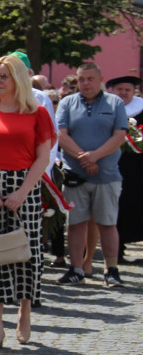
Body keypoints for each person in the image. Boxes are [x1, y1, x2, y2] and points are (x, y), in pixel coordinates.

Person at [0, 55, 54, 349]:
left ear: (18, 79)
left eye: (4, 76)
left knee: (26, 253)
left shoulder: (36, 113)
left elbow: (43, 157)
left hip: (23, 185)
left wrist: (23, 191)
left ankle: (25, 311)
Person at [56, 62, 129, 287]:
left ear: (100, 80)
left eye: (90, 79)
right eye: (81, 79)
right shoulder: (67, 102)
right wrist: (82, 157)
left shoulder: (114, 102)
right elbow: (61, 134)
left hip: (106, 175)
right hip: (76, 175)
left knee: (107, 223)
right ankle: (76, 268)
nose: (85, 83)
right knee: (75, 224)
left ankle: (111, 269)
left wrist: (95, 156)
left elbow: (120, 135)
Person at [107, 75, 143, 258]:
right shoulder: (106, 108)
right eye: (120, 89)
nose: (124, 93)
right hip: (113, 164)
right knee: (116, 206)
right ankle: (117, 250)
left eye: (127, 90)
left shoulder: (141, 109)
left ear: (134, 91)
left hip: (138, 167)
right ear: (113, 90)